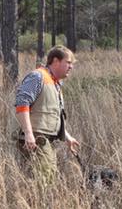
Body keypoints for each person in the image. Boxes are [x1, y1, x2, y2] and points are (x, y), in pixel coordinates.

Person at [13, 45, 80, 179]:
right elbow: (22, 103)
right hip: (37, 138)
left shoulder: (55, 83)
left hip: (45, 140)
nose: (71, 67)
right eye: (68, 62)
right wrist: (29, 134)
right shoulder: (37, 77)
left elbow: (52, 115)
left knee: (47, 177)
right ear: (55, 61)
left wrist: (67, 137)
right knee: (43, 179)